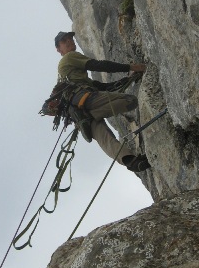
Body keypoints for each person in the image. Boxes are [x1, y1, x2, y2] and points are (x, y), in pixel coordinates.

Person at [54, 31, 151, 172]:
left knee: (105, 140)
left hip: (79, 114)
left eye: (70, 38)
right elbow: (98, 65)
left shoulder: (69, 76)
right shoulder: (69, 57)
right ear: (59, 49)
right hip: (86, 101)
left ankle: (132, 162)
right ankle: (92, 115)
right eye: (64, 41)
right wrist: (130, 67)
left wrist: (128, 79)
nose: (69, 41)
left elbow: (103, 87)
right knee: (130, 101)